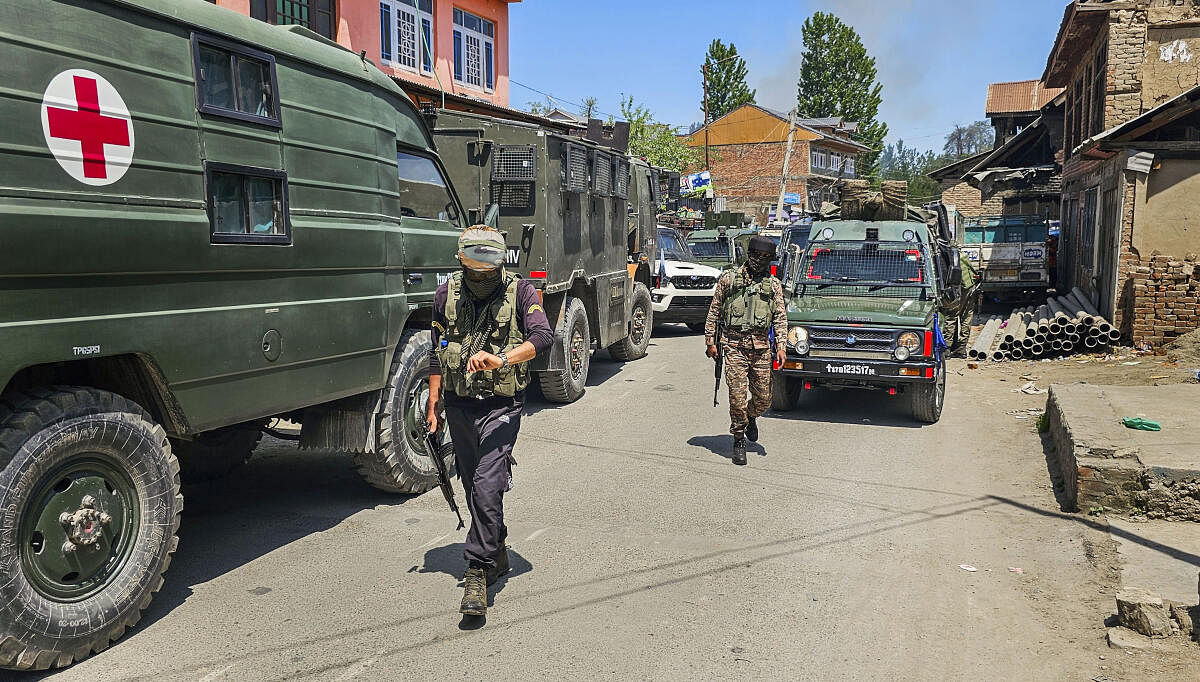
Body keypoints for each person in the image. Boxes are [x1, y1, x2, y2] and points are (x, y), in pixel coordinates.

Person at [427, 226, 554, 617]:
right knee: (472, 485)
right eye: (473, 266)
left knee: (486, 485)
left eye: (489, 267)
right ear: (461, 261)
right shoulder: (445, 294)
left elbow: (544, 337)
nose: (481, 275)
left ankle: (477, 571)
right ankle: (496, 548)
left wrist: (502, 359)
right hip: (459, 404)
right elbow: (438, 349)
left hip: (502, 405)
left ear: (502, 263)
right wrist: (433, 402)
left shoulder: (521, 292)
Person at [704, 235, 787, 465]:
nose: (759, 261)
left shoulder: (773, 285)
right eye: (756, 255)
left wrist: (781, 346)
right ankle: (738, 438)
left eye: (765, 257)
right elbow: (714, 311)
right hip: (733, 346)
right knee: (737, 397)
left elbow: (780, 317)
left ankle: (751, 417)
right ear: (748, 255)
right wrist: (710, 341)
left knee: (764, 399)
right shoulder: (729, 279)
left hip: (761, 348)